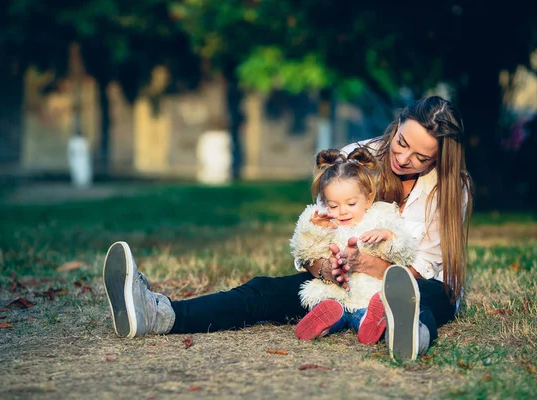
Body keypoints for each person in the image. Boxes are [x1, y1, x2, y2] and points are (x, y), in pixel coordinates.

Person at [103, 95, 473, 362]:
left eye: (421, 157)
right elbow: (312, 233)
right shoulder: (358, 155)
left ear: (439, 158)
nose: (403, 158)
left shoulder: (453, 190)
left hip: (407, 286)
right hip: (337, 288)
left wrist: (366, 265)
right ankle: (162, 315)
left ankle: (411, 334)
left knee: (430, 295)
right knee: (263, 291)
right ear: (397, 126)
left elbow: (425, 266)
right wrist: (324, 268)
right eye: (402, 142)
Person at [290, 147, 416, 343]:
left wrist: (387, 236)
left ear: (368, 199)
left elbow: (405, 251)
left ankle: (368, 322)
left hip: (367, 292)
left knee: (366, 310)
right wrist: (315, 229)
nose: (342, 212)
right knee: (329, 306)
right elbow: (304, 250)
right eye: (334, 205)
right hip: (334, 291)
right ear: (324, 203)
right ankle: (325, 320)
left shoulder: (380, 218)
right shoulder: (324, 221)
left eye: (351, 204)